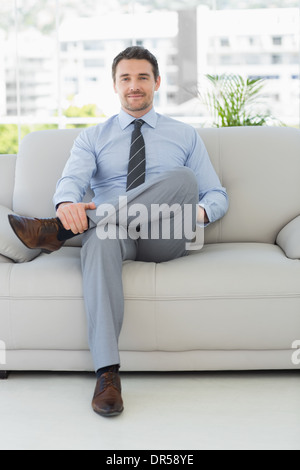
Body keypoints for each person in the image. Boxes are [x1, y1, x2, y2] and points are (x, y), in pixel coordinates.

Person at [8, 46, 229, 418]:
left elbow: (216, 194)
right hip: (115, 234)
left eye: (142, 77)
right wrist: (66, 208)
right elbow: (70, 185)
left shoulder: (184, 135)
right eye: (125, 78)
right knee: (102, 236)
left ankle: (55, 232)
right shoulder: (92, 138)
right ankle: (107, 375)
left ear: (157, 82)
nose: (134, 86)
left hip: (167, 231)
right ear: (115, 85)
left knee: (182, 178)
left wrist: (198, 213)